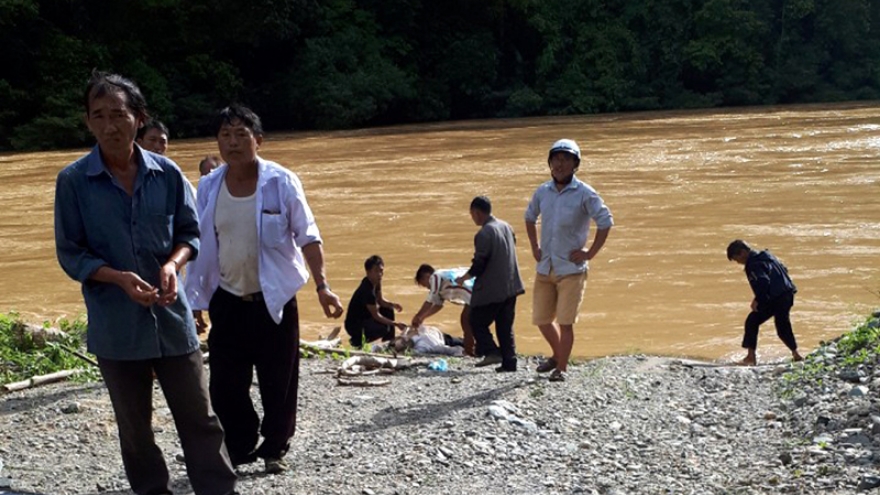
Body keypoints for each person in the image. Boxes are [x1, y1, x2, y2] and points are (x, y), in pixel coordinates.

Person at [54, 71, 237, 495]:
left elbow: (190, 235)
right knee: (134, 429)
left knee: (201, 418)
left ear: (139, 118)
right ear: (87, 123)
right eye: (98, 116)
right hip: (115, 326)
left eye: (118, 114)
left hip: (172, 319)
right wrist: (117, 278)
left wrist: (173, 265)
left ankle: (219, 490)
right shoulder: (74, 182)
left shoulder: (168, 173)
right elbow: (71, 252)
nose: (109, 125)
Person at [184, 104, 344, 474]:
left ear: (258, 140)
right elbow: (200, 245)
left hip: (275, 301)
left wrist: (323, 285)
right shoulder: (208, 186)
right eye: (225, 135)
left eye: (241, 134)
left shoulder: (281, 182)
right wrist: (195, 299)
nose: (233, 142)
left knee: (279, 381)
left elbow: (308, 235)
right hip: (227, 299)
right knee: (224, 383)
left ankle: (274, 447)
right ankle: (239, 445)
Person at [525, 138, 613, 382]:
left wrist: (589, 253)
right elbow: (529, 217)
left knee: (565, 323)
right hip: (546, 265)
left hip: (571, 269)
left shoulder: (585, 193)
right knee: (542, 320)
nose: (560, 164)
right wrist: (534, 246)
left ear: (576, 164)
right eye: (556, 159)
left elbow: (605, 222)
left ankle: (561, 369)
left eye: (566, 159)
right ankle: (556, 355)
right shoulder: (543, 191)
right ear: (549, 163)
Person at [456, 196, 525, 372]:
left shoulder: (484, 233)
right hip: (512, 285)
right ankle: (510, 362)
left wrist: (465, 277)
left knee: (476, 321)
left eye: (472, 214)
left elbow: (480, 262)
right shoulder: (506, 226)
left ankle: (492, 351)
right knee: (504, 325)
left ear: (477, 213)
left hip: (494, 288)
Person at [727, 239, 804, 366]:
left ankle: (750, 357)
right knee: (783, 325)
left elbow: (763, 281)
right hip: (787, 294)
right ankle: (796, 354)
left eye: (737, 259)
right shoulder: (767, 256)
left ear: (742, 252)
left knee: (752, 321)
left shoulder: (753, 264)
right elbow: (784, 269)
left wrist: (757, 300)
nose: (738, 262)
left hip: (774, 298)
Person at [411, 264, 475, 356]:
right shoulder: (440, 284)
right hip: (473, 296)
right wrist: (422, 318)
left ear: (427, 276)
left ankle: (470, 350)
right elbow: (438, 305)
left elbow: (429, 301)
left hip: (474, 294)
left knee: (465, 320)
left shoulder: (435, 276)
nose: (428, 288)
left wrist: (418, 316)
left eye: (425, 285)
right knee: (471, 322)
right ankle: (475, 348)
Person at [344, 255, 406, 347]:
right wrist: (396, 324)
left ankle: (389, 344)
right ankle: (357, 342)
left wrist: (393, 305)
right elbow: (376, 316)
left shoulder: (376, 282)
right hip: (354, 325)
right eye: (376, 271)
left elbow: (380, 301)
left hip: (366, 318)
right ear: (368, 272)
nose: (380, 274)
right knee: (385, 328)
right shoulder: (366, 290)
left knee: (388, 309)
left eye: (381, 271)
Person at [392, 325, 465, 356]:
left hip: (441, 336)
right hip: (440, 337)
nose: (405, 339)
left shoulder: (410, 337)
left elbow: (406, 331)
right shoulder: (421, 347)